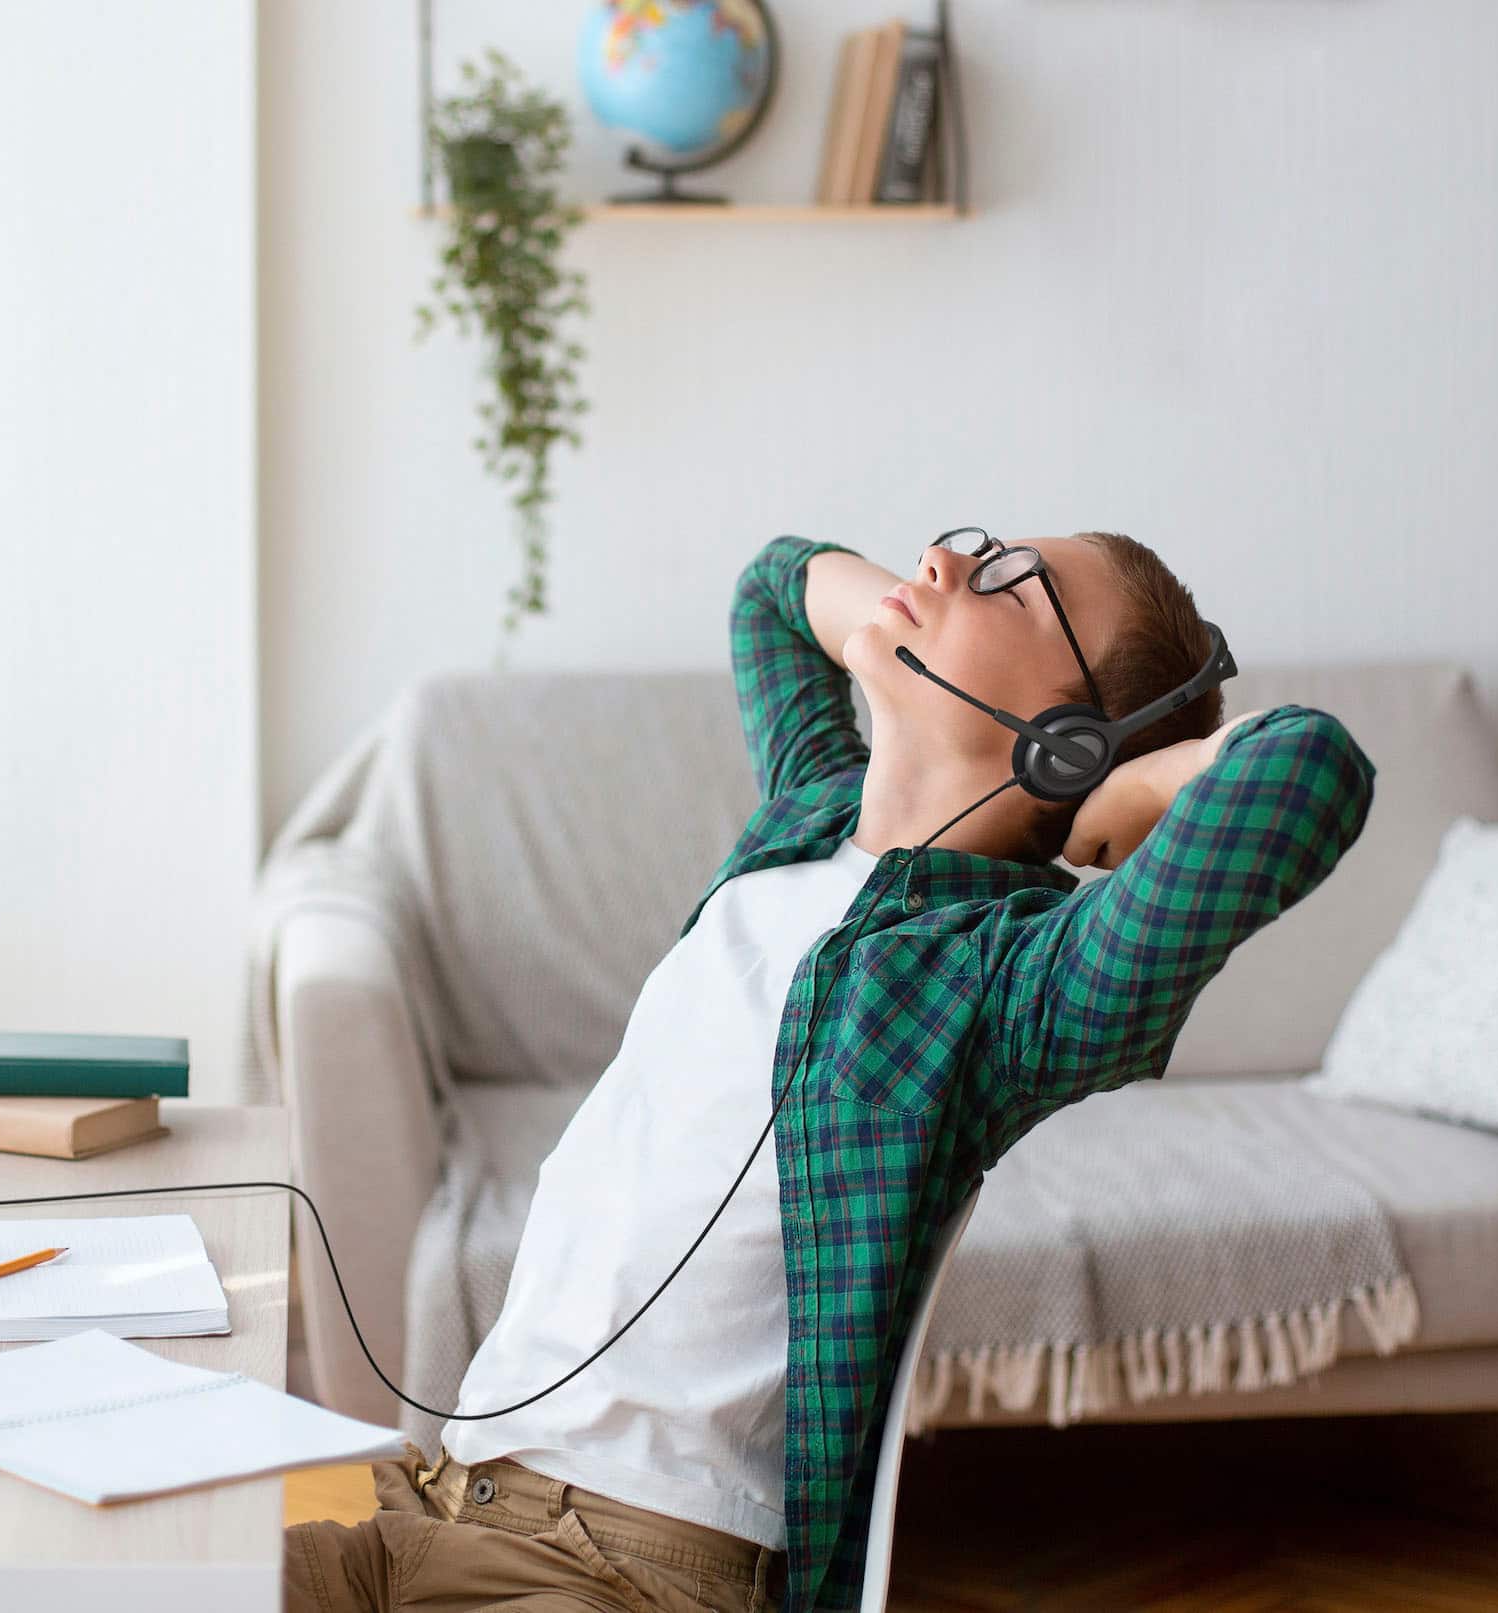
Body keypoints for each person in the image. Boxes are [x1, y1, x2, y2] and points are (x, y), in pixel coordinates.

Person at [285, 531, 1377, 1613]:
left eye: (1013, 585)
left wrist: (1137, 782)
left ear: (1065, 743)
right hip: (436, 1500)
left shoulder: (1010, 984)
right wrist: (924, 623)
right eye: (974, 547)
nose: (941, 561)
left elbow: (1309, 768)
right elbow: (771, 588)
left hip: (623, 1571)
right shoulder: (805, 812)